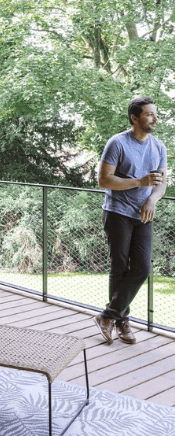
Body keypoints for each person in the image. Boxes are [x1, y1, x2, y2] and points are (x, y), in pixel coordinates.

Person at [95, 96, 167, 345]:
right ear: (134, 118)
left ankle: (109, 316)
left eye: (155, 114)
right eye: (149, 114)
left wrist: (152, 200)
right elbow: (104, 181)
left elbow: (162, 183)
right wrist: (139, 182)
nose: (155, 118)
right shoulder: (117, 143)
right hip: (118, 213)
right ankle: (122, 322)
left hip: (143, 214)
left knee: (143, 268)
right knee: (119, 268)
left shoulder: (159, 147)